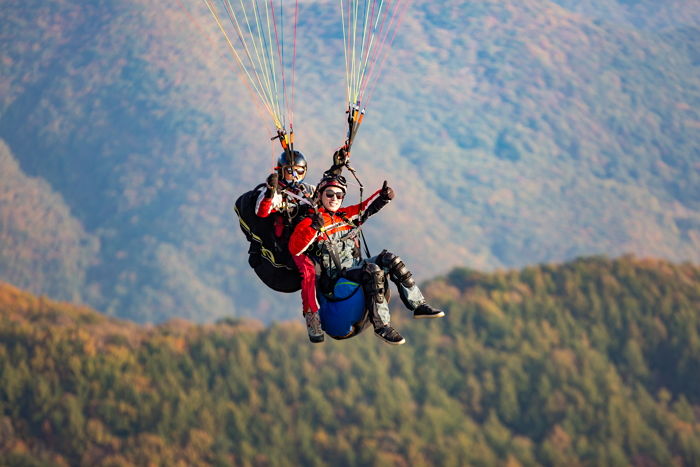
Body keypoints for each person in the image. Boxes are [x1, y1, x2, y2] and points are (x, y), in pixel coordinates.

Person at [288, 173, 445, 345]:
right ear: (320, 195)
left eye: (339, 195)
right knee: (373, 271)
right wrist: (314, 228)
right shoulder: (311, 221)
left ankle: (418, 305)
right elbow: (295, 249)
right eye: (329, 194)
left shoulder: (345, 215)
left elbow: (365, 208)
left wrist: (383, 197)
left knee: (391, 260)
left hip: (356, 266)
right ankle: (382, 325)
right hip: (337, 277)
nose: (334, 199)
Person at [254, 150, 325, 342]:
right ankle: (312, 317)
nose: (295, 176)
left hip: (313, 235)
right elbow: (262, 211)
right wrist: (270, 192)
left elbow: (327, 195)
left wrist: (337, 167)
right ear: (281, 171)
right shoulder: (277, 192)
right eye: (290, 171)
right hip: (292, 244)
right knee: (308, 271)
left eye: (299, 171)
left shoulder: (308, 190)